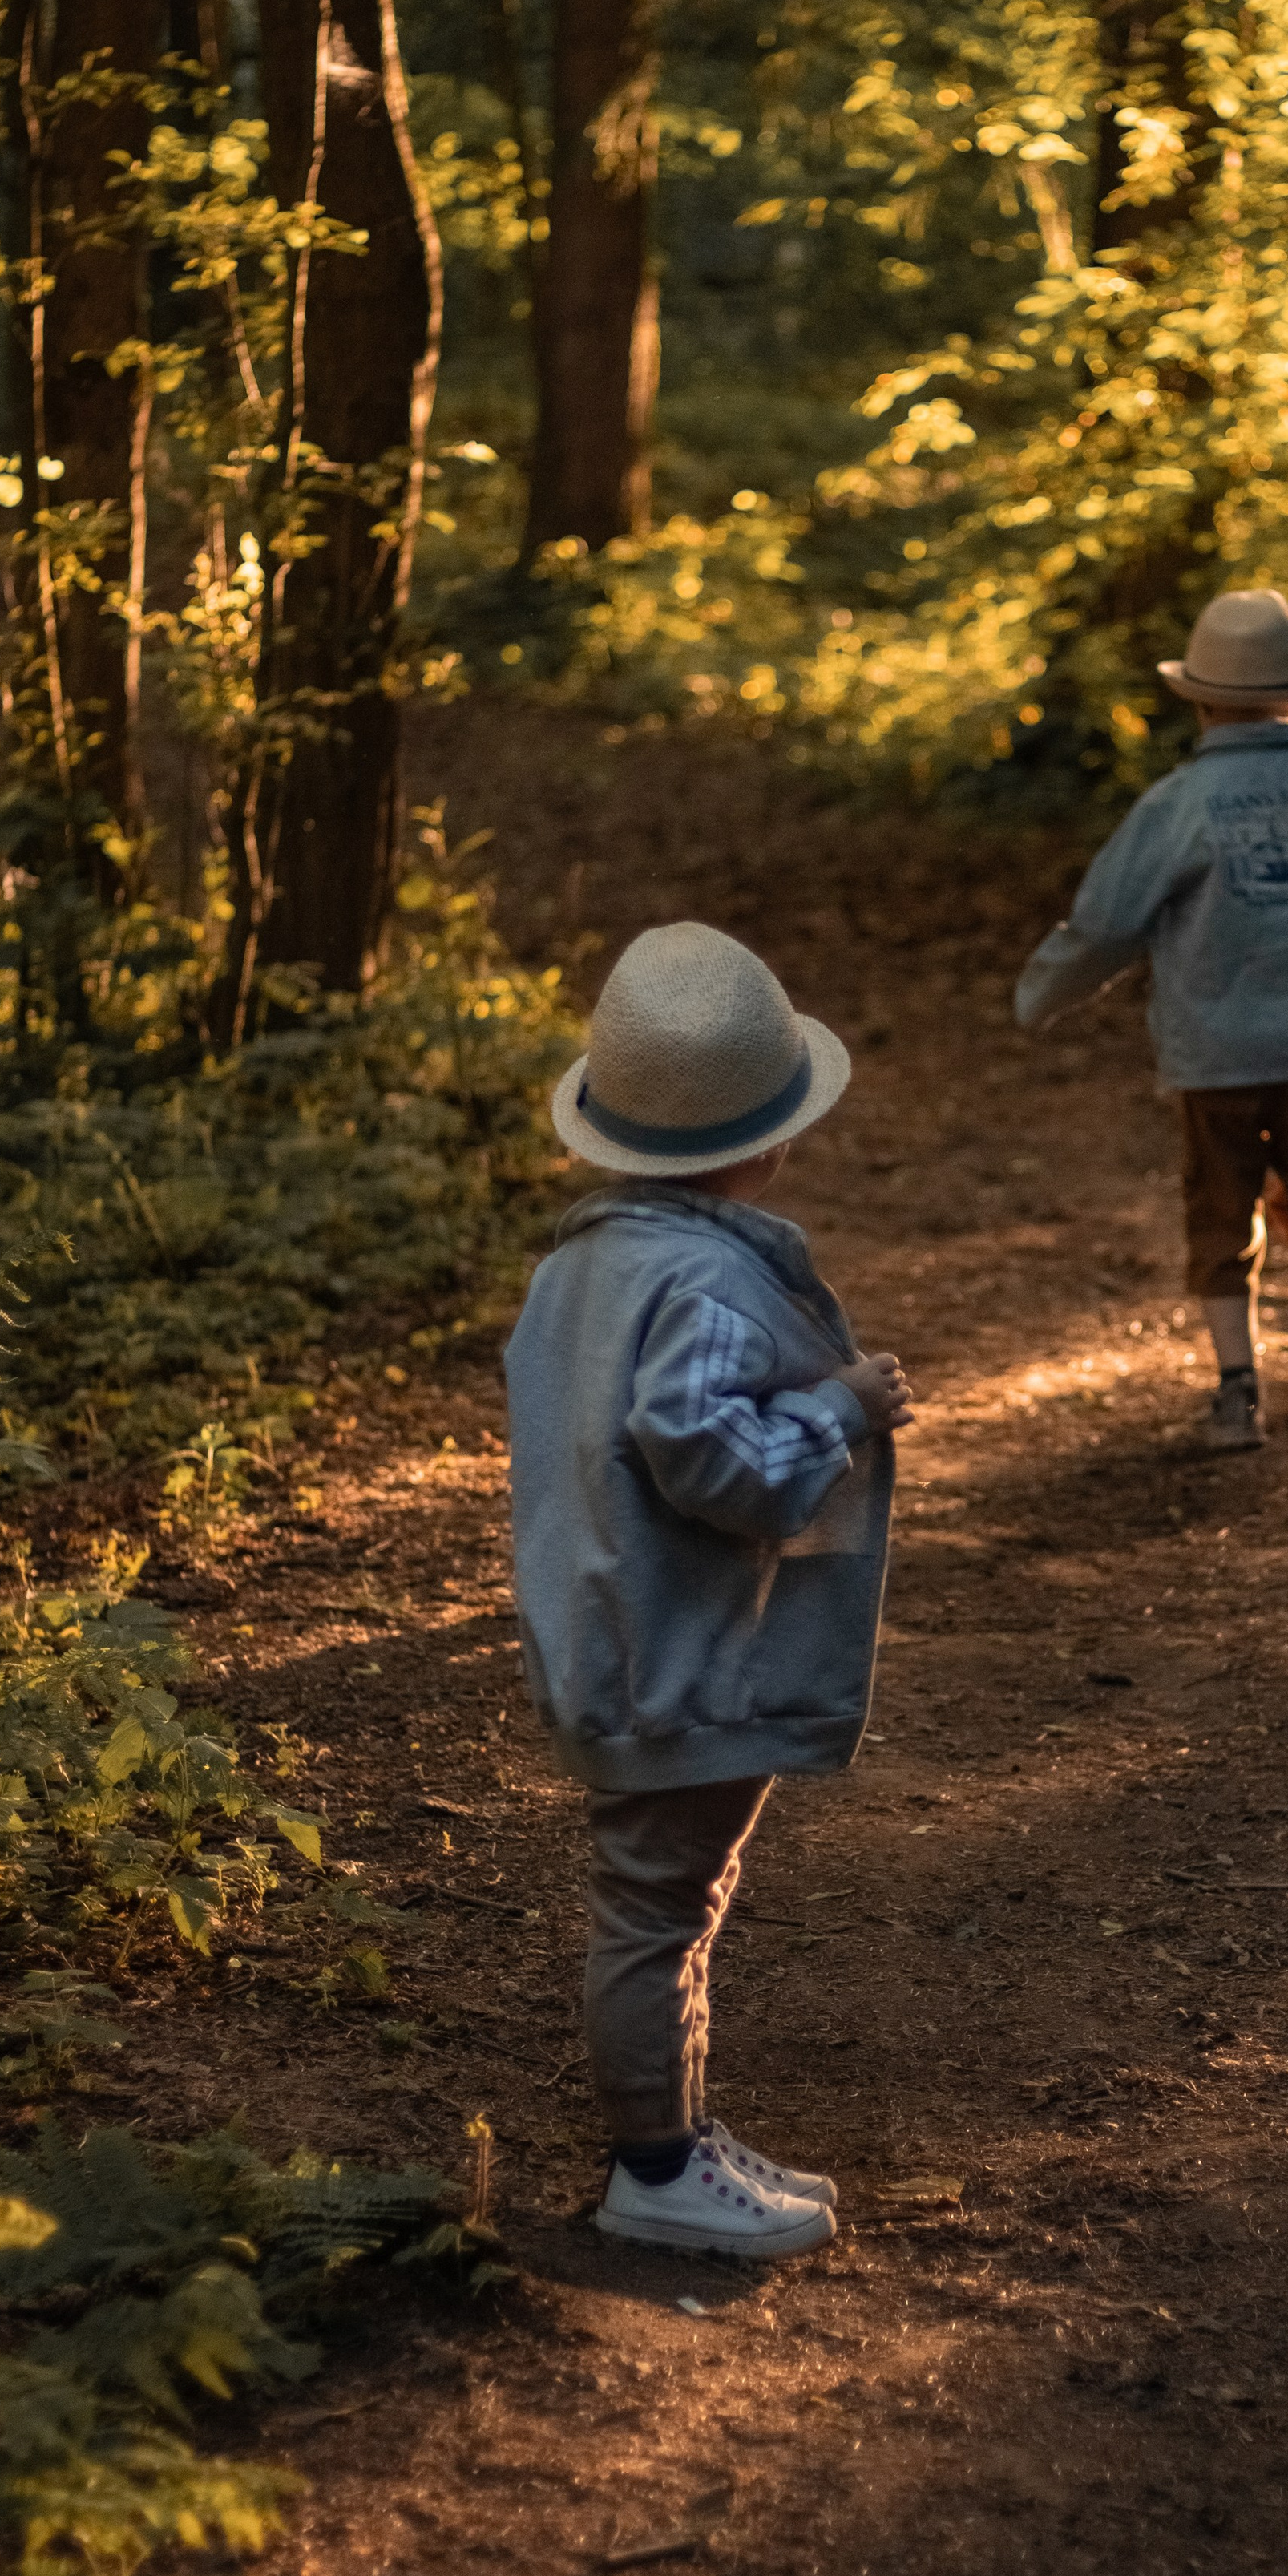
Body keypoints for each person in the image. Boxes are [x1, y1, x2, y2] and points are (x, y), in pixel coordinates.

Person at [506, 920, 912, 2259]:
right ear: (768, 1137)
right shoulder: (705, 1279)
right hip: (676, 1656)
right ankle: (656, 2169)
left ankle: (669, 2134)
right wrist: (841, 1413)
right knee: (658, 1904)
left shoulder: (583, 1264)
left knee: (666, 1896)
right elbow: (704, 1451)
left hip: (615, 1633)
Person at [1015, 588, 1288, 1453]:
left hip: (1215, 1050)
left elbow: (1108, 921)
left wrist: (1044, 994)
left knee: (1221, 1212)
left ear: (1198, 702)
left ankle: (1239, 1395)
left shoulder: (1179, 803)